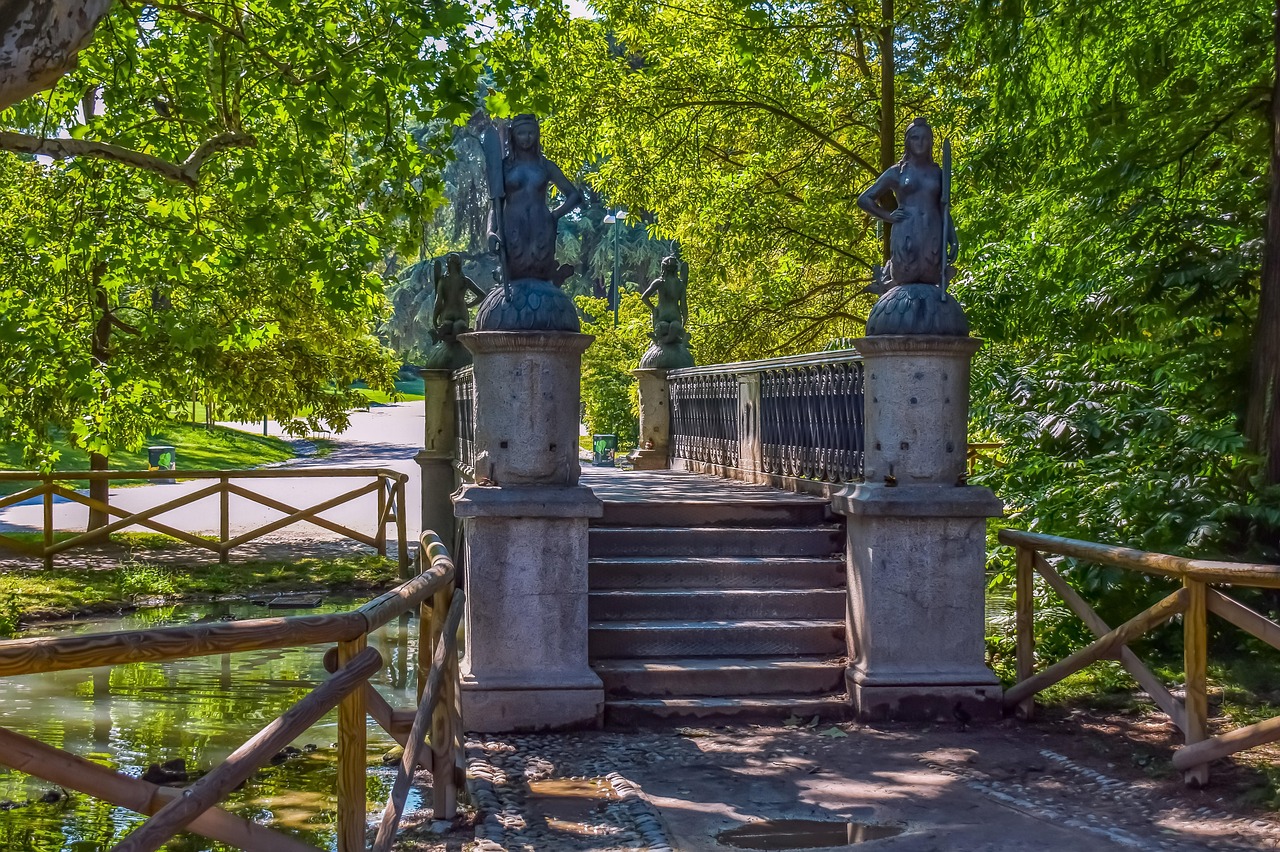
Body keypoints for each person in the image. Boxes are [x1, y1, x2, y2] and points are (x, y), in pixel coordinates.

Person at [857, 117, 958, 287]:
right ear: (907, 142)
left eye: (926, 138)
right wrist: (887, 216)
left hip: (932, 233)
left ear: (931, 142)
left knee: (931, 277)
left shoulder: (937, 173)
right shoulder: (897, 172)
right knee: (905, 278)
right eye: (915, 138)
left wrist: (952, 239)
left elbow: (943, 208)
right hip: (907, 232)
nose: (921, 143)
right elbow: (864, 199)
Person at [487, 114, 583, 282]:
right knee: (515, 275)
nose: (527, 138)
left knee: (539, 274)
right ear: (513, 136)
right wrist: (490, 231)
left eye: (531, 133)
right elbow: (495, 204)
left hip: (541, 227)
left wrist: (554, 215)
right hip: (512, 228)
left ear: (537, 135)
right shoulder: (505, 167)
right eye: (521, 133)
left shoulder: (545, 166)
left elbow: (574, 195)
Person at [431, 253, 486, 341]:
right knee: (460, 328)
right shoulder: (465, 280)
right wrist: (469, 305)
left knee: (445, 327)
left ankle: (444, 334)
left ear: (448, 264)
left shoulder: (443, 281)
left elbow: (438, 302)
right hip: (461, 313)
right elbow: (482, 295)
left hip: (447, 314)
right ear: (459, 264)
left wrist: (434, 321)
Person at [641, 256, 688, 346]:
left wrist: (653, 308)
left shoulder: (659, 282)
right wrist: (684, 322)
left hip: (661, 315)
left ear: (663, 268)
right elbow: (684, 307)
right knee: (675, 327)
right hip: (675, 317)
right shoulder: (681, 285)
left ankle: (661, 340)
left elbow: (644, 298)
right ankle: (674, 334)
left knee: (662, 327)